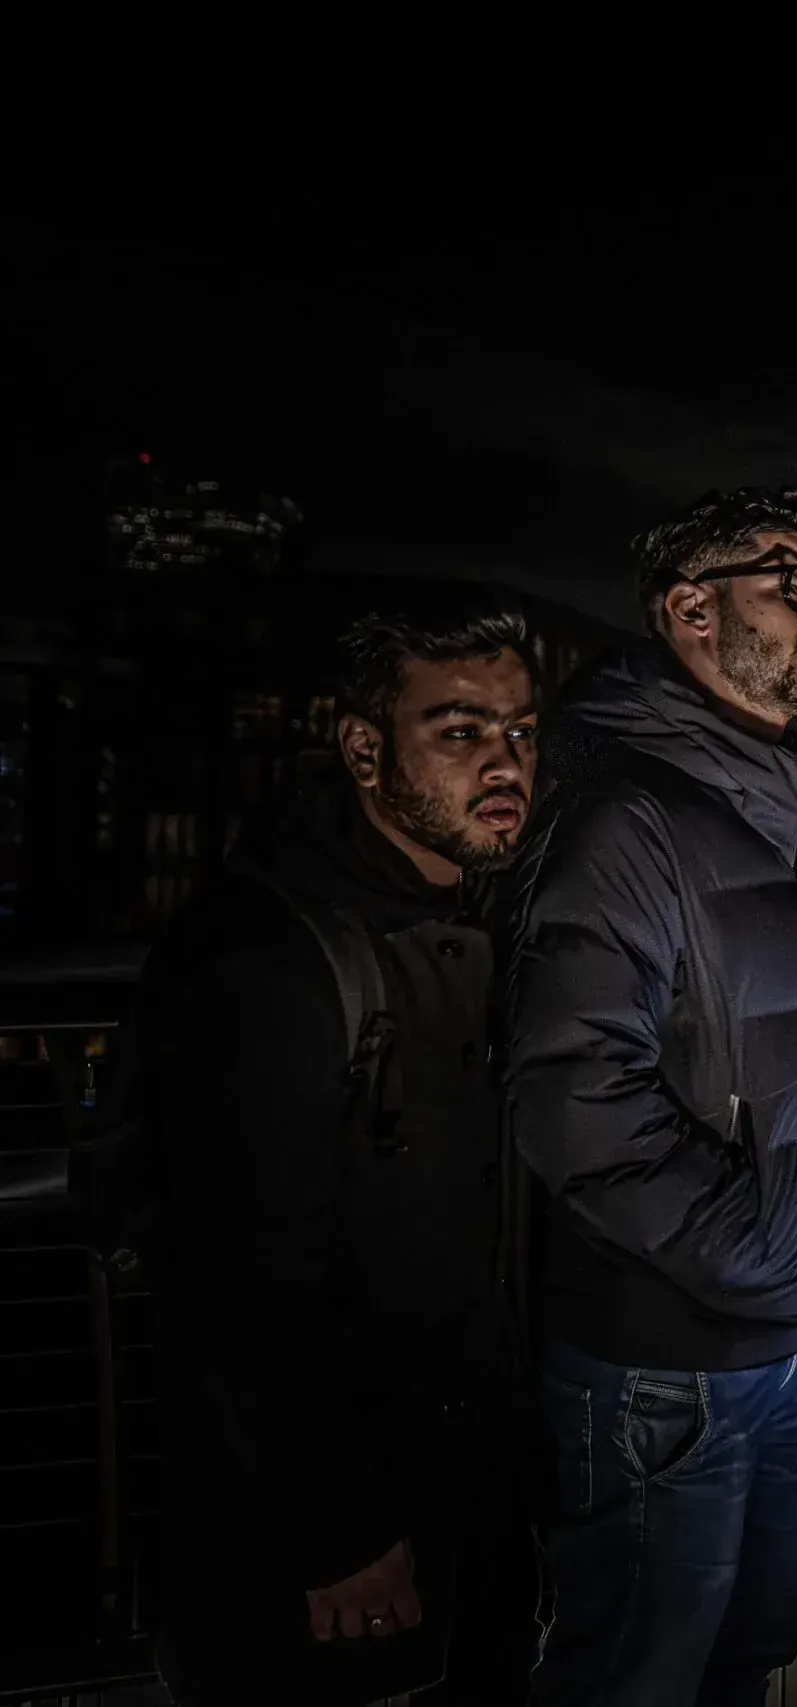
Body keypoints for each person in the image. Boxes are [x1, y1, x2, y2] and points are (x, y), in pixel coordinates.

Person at [500, 487, 797, 1707]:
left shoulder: (787, 807)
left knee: (745, 1658)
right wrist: (750, 1246)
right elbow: (571, 1093)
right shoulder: (635, 818)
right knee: (635, 1675)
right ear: (691, 613)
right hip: (666, 1356)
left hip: (777, 1338)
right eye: (788, 583)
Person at [144, 592, 542, 1706]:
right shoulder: (269, 956)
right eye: (460, 731)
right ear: (365, 751)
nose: (504, 762)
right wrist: (335, 1529)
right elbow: (237, 1278)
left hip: (469, 1502)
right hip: (326, 1556)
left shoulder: (475, 913)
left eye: (520, 730)